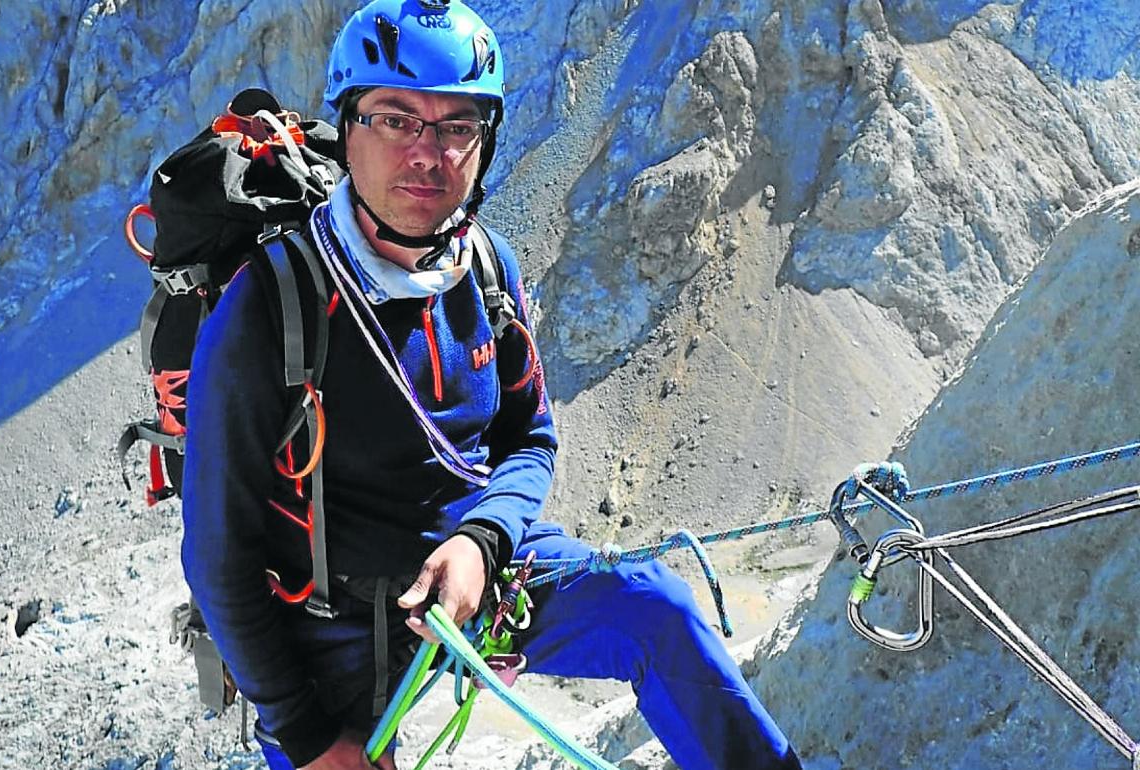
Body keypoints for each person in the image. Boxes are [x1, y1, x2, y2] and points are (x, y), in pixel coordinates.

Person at [181, 1, 802, 768]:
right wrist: (305, 735)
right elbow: (218, 552)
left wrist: (481, 540)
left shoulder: (485, 268)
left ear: (485, 143)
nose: (428, 154)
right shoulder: (269, 305)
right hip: (332, 625)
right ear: (348, 129)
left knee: (656, 613)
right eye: (395, 119)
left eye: (456, 128)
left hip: (483, 573)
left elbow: (528, 437)